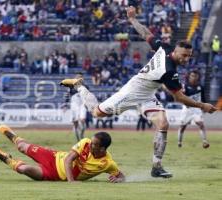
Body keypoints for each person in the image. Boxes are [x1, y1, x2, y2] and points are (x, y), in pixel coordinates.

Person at [60, 6, 217, 178]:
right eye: (184, 55)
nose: (186, 59)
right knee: (97, 112)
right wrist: (202, 105)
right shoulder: (170, 70)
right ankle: (79, 85)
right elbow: (179, 98)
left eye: (189, 56)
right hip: (132, 91)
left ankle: (156, 166)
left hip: (147, 95)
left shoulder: (163, 48)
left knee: (163, 124)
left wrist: (133, 19)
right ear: (176, 51)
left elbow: (146, 34)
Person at [0, 125, 125, 183]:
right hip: (53, 157)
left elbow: (121, 176)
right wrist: (71, 181)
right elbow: (68, 160)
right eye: (92, 141)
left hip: (53, 175)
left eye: (94, 144)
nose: (91, 144)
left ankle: (5, 158)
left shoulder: (107, 163)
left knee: (24, 169)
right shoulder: (85, 143)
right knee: (22, 147)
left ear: (102, 149)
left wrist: (118, 179)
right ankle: (12, 135)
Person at [177, 71, 210, 149]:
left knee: (201, 124)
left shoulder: (200, 87)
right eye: (192, 76)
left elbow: (203, 98)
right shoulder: (185, 86)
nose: (193, 77)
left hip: (197, 109)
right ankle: (179, 142)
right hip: (187, 109)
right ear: (189, 77)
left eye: (195, 76)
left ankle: (205, 141)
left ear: (198, 77)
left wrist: (204, 106)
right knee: (182, 126)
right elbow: (182, 98)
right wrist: (186, 104)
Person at [64, 73, 87, 141]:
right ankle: (78, 139)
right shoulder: (71, 87)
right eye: (77, 77)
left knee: (82, 120)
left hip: (82, 105)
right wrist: (65, 105)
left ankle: (82, 134)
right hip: (74, 105)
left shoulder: (85, 87)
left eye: (80, 77)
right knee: (75, 122)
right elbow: (67, 96)